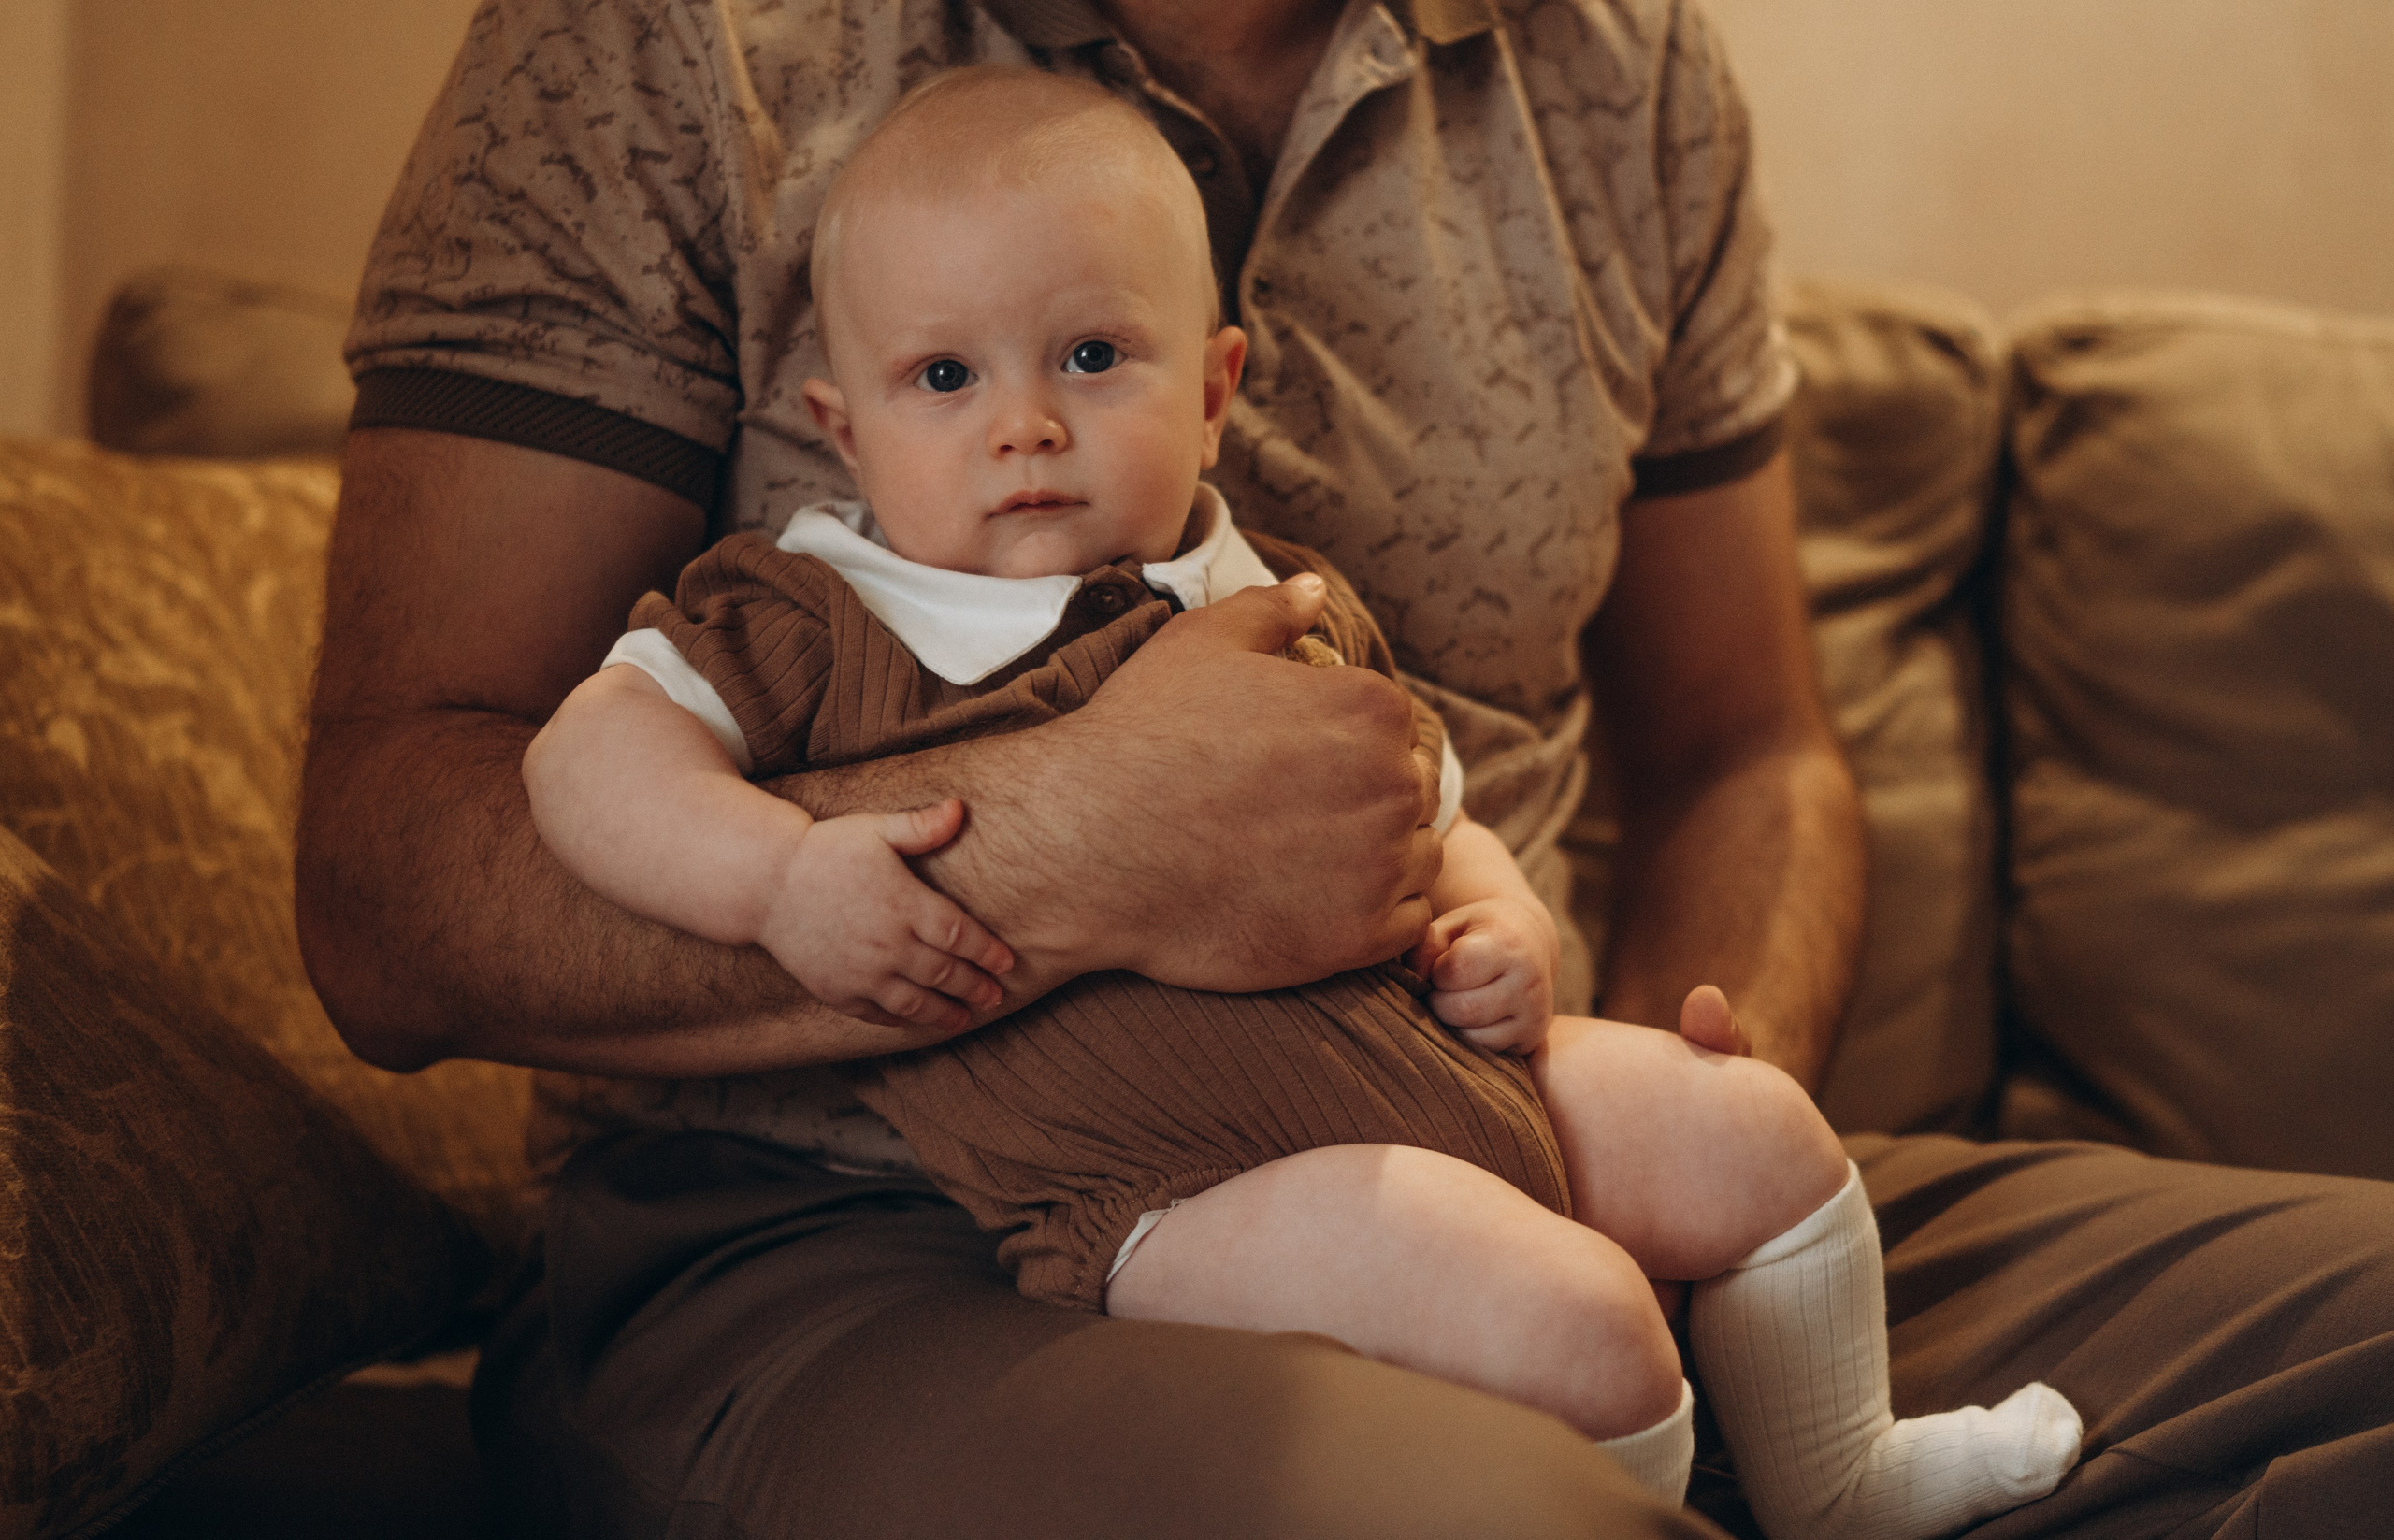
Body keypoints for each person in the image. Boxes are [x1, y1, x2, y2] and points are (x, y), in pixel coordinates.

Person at [300, 1, 2394, 1536]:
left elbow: (1748, 743)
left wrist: (1658, 1097)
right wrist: (1078, 850)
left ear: (1209, 387)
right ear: (849, 417)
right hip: (857, 1227)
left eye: (1089, 366)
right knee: (1509, 1507)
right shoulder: (671, 47)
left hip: (1485, 1113)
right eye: (946, 377)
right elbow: (392, 892)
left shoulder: (1618, 64)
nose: (1021, 424)